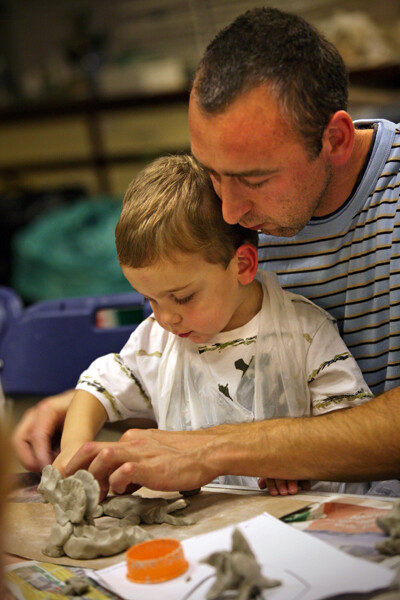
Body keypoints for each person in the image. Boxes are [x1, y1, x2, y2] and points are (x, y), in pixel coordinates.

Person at [12, 7, 400, 496]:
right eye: (213, 173)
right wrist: (86, 402)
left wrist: (227, 450)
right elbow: (212, 367)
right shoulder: (221, 218)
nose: (231, 212)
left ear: (335, 140)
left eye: (254, 179)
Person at [52, 154, 373, 498]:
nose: (166, 317)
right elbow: (97, 387)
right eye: (150, 299)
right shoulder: (156, 341)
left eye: (183, 297)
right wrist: (73, 451)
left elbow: (347, 439)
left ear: (242, 266)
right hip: (195, 518)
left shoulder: (306, 334)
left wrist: (299, 463)